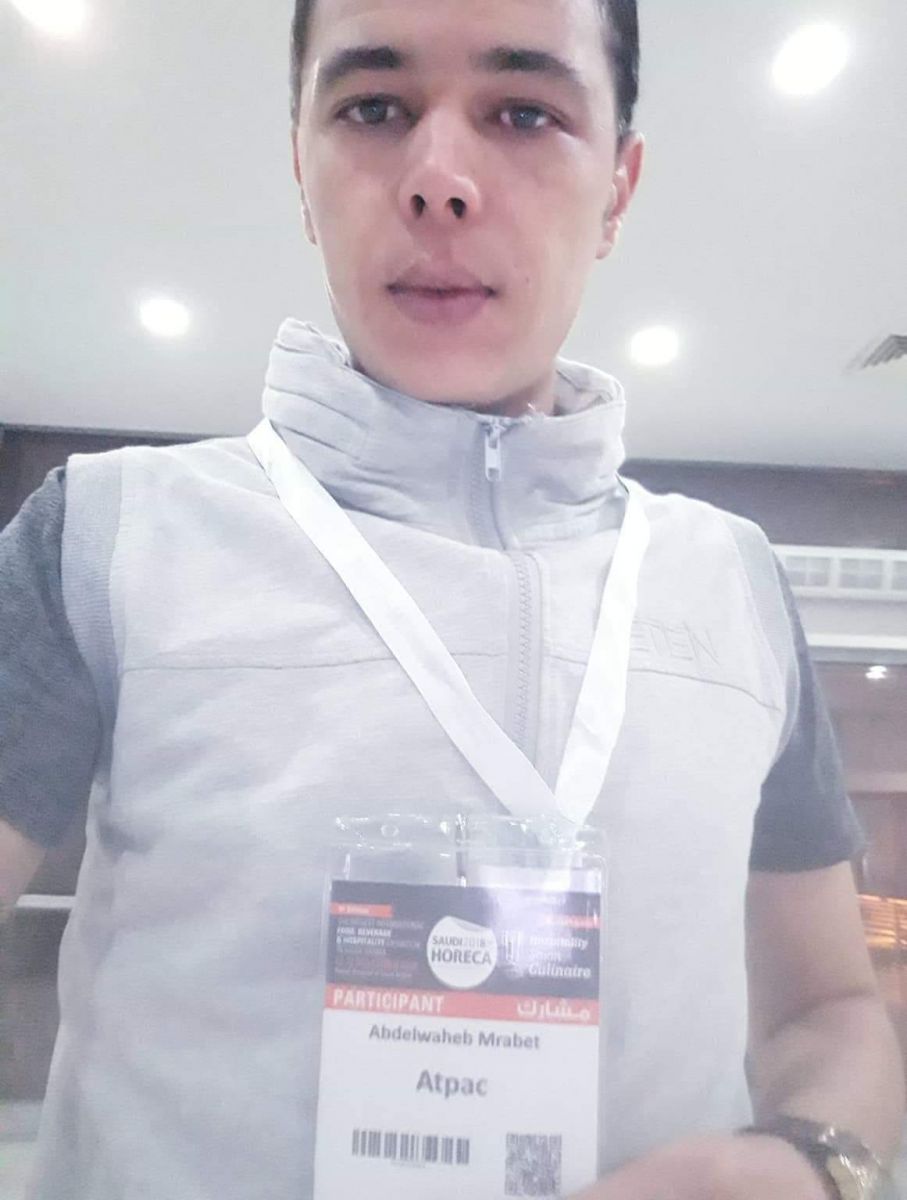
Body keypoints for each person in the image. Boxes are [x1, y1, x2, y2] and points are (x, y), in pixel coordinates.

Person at [1, 0, 903, 1197]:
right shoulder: (109, 536)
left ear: (618, 189)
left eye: (523, 113)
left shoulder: (728, 582)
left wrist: (814, 1164)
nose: (438, 179)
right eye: (373, 107)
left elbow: (828, 1005)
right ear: (302, 166)